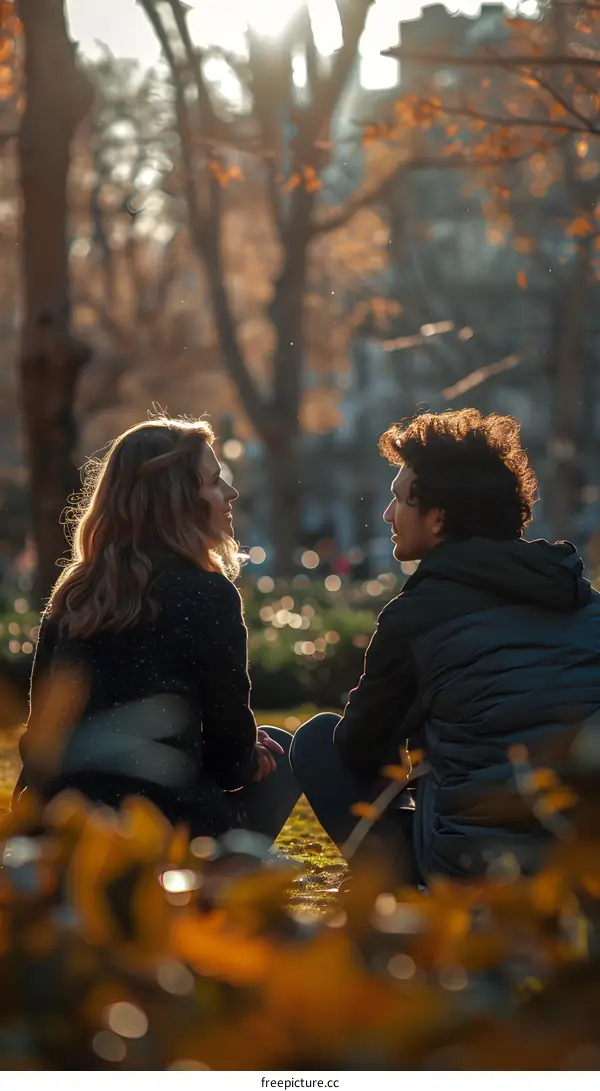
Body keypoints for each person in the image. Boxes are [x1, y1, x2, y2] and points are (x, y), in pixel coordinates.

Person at [290, 409, 600, 883]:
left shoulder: (418, 615)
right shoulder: (587, 603)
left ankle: (408, 889)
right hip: (580, 857)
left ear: (437, 518)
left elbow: (358, 748)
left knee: (317, 741)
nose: (387, 514)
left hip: (469, 869)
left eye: (398, 500)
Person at [14, 415, 299, 842]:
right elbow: (229, 757)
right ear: (178, 499)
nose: (231, 494)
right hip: (163, 833)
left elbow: (42, 735)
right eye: (215, 482)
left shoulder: (74, 593)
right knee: (281, 749)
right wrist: (245, 758)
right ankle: (217, 881)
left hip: (59, 828)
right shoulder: (208, 593)